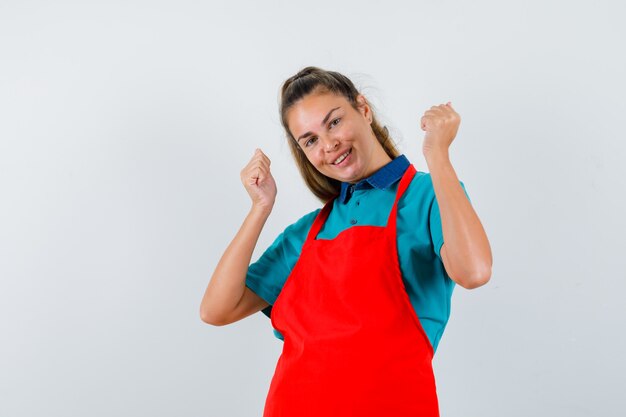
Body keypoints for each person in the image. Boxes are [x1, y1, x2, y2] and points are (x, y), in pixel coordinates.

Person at [200, 66, 492, 417]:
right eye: (310, 140)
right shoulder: (307, 233)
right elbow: (216, 310)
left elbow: (474, 271)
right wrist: (259, 208)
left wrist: (438, 155)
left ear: (364, 110)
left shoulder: (428, 197)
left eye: (334, 122)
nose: (328, 145)